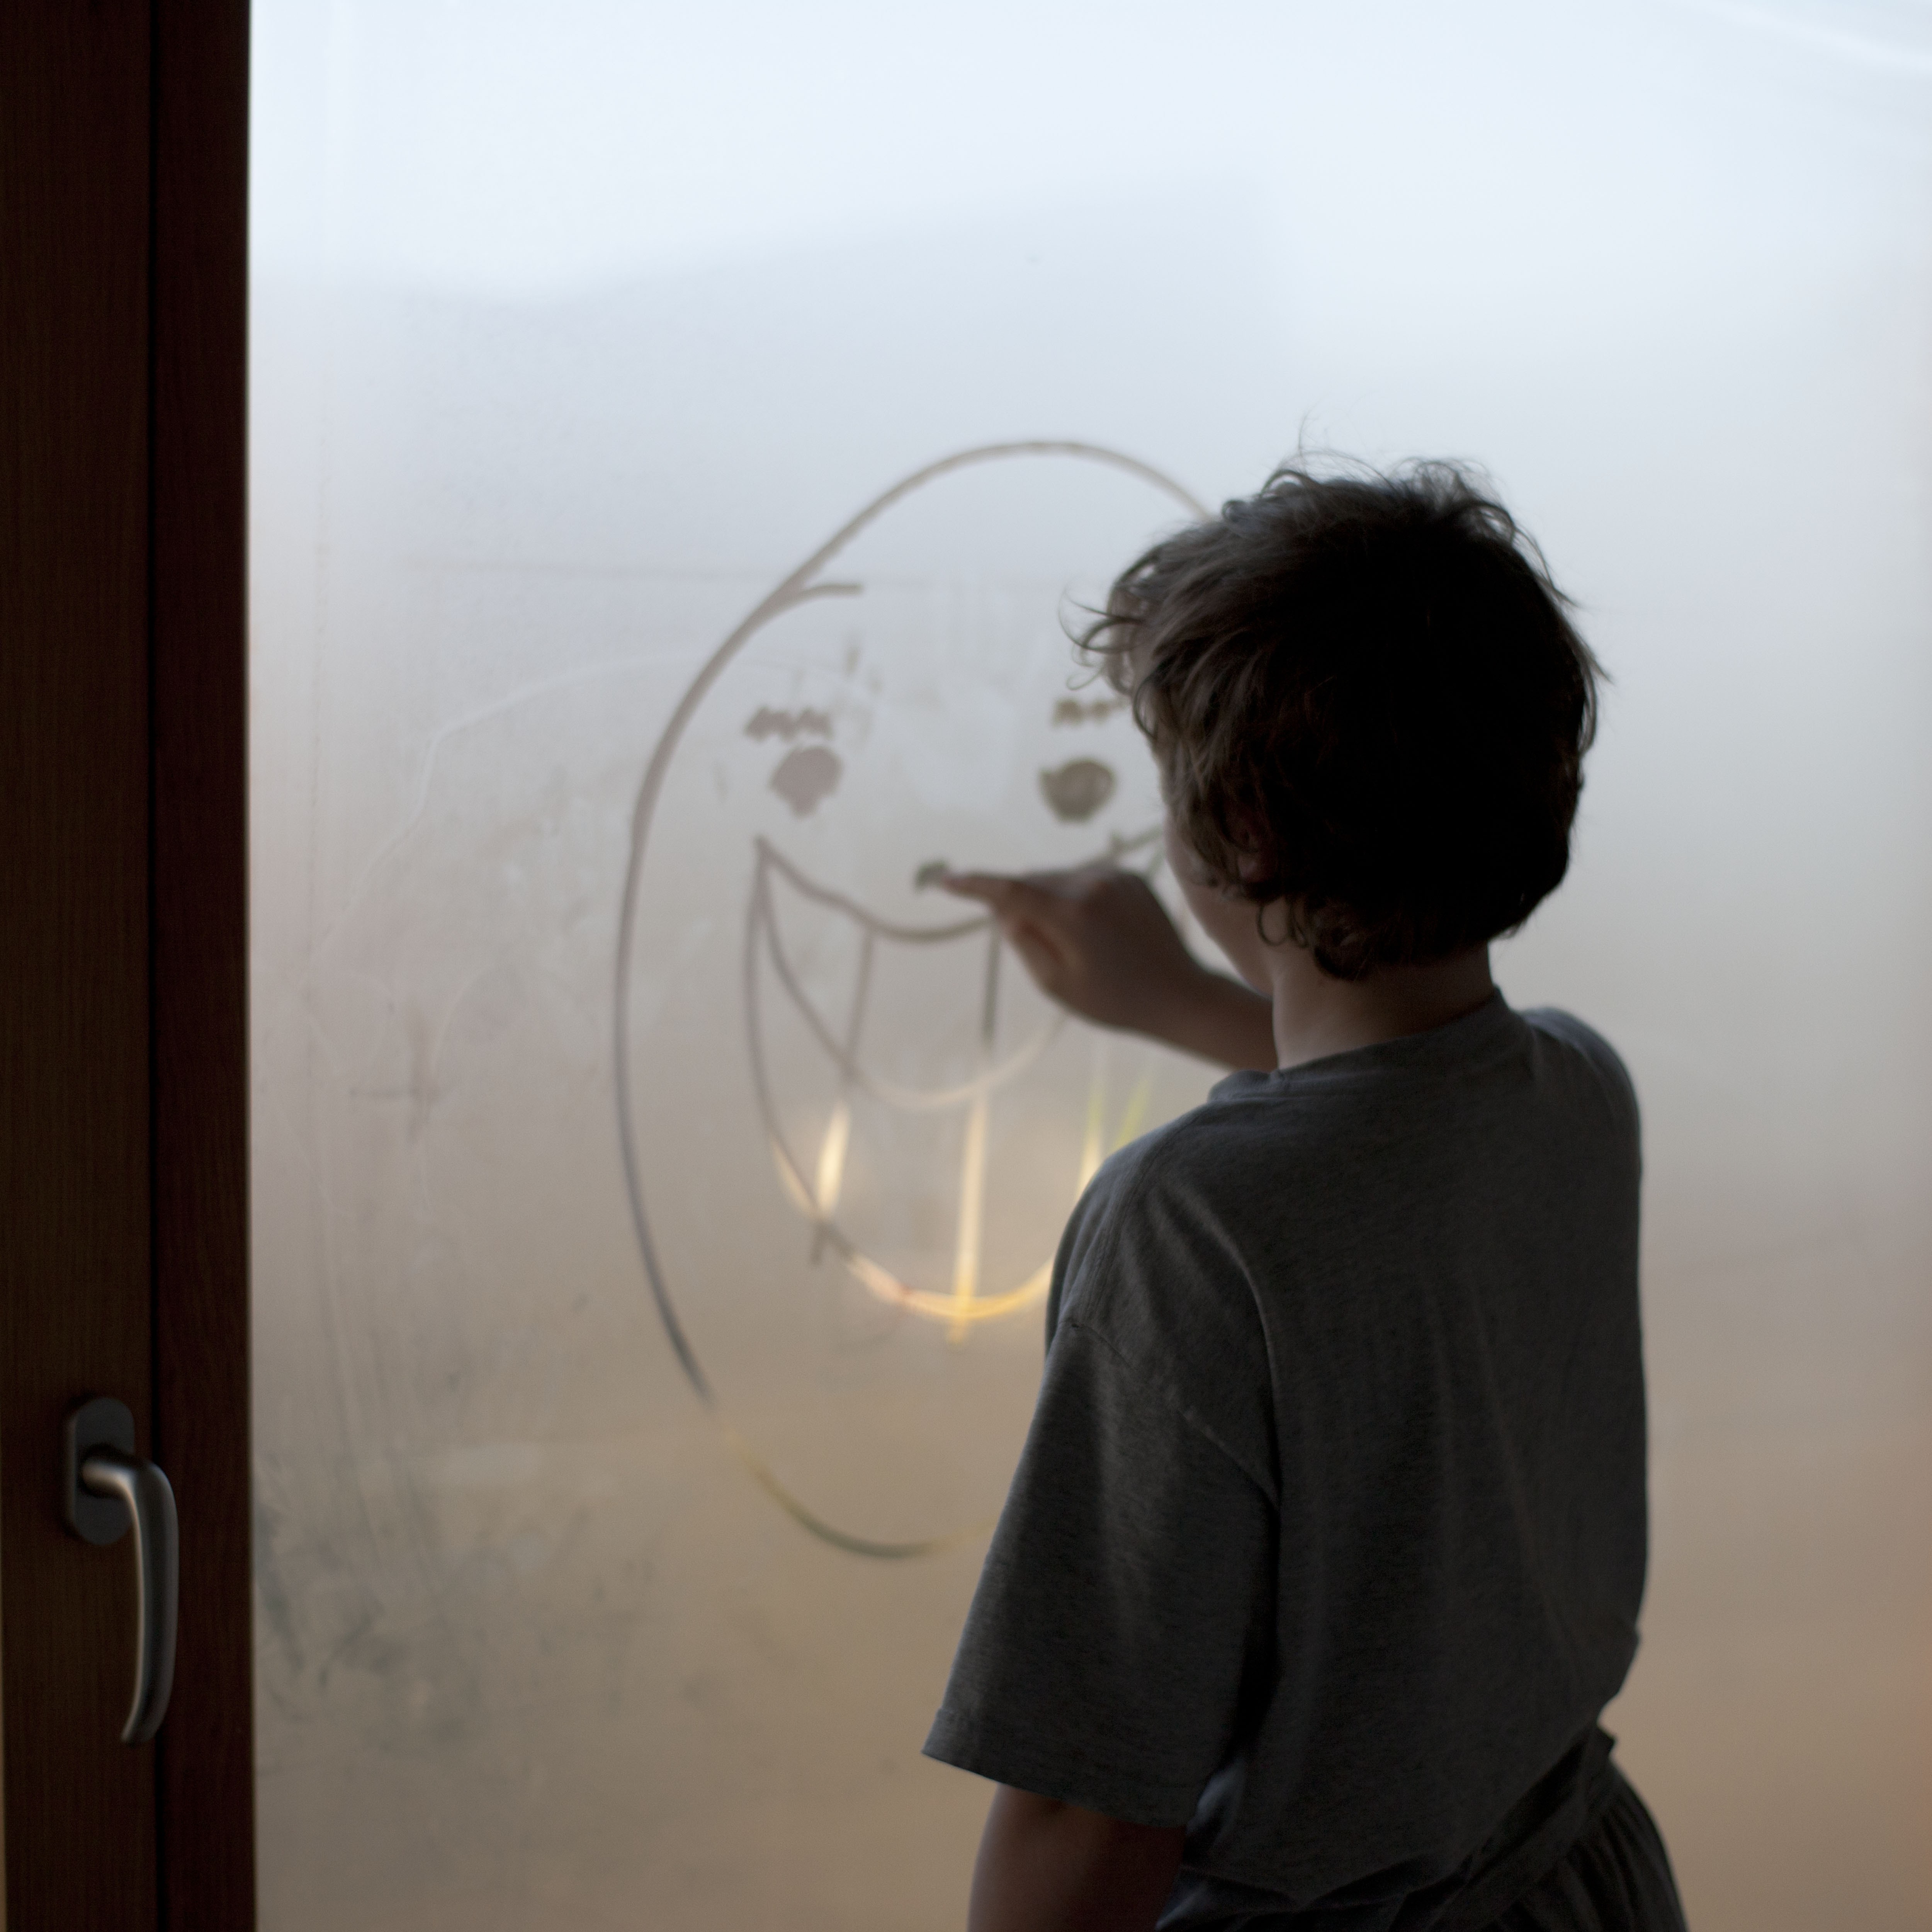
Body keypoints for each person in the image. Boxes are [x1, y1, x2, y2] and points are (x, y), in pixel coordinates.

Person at [923, 460, 1689, 1932]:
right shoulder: (1580, 1093)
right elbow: (1389, 1140)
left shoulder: (1191, 1229)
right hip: (1580, 1882)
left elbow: (1089, 1808)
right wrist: (1173, 997)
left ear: (1247, 830)